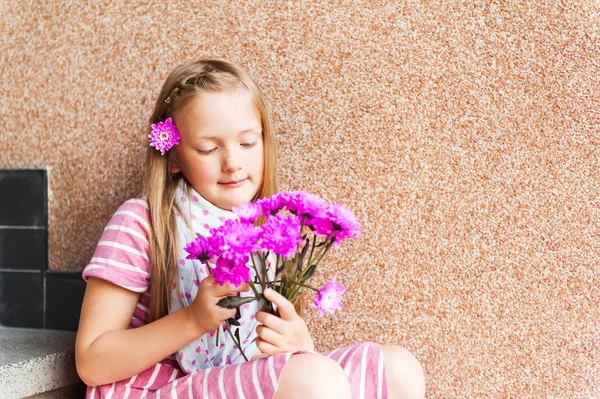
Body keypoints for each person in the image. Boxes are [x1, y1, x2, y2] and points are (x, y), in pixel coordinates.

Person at [75, 58, 425, 399]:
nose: (232, 163)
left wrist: (298, 343)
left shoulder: (268, 230)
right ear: (175, 156)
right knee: (313, 378)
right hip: (157, 388)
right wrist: (193, 321)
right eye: (209, 148)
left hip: (243, 376)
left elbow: (276, 358)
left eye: (247, 143)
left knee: (398, 370)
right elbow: (91, 362)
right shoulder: (142, 224)